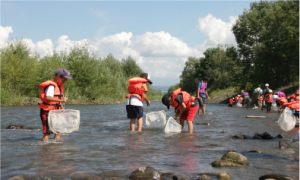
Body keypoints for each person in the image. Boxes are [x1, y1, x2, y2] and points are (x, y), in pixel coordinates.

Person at [38, 68, 72, 142]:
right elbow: (48, 97)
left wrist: (61, 106)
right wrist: (61, 100)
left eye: (66, 80)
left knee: (58, 131)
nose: (65, 81)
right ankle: (45, 147)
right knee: (47, 133)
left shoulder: (59, 86)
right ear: (58, 77)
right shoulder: (51, 86)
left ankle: (57, 148)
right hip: (46, 111)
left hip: (55, 111)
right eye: (64, 79)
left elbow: (56, 101)